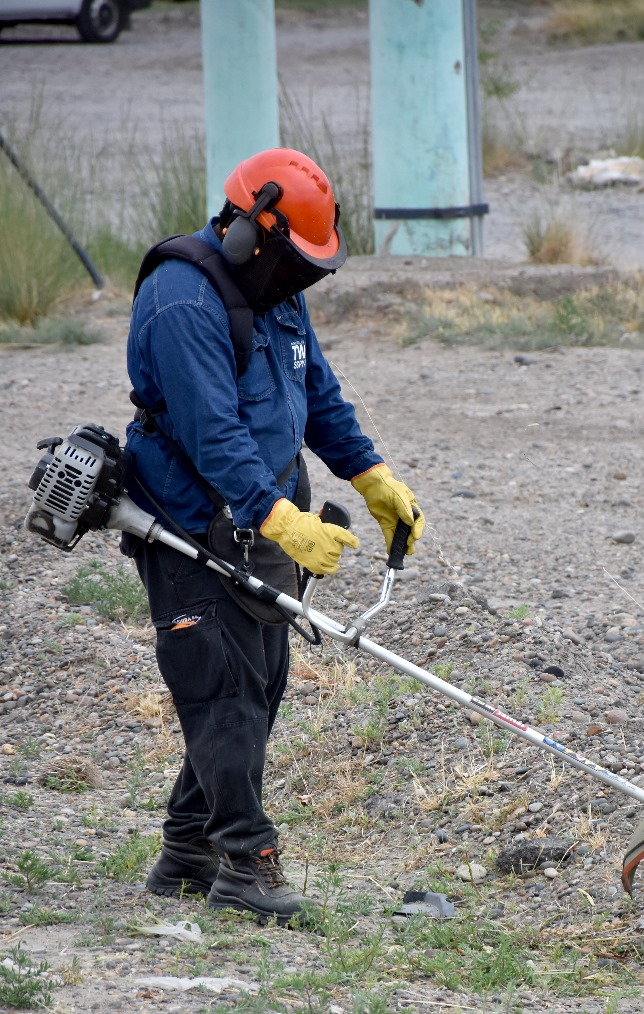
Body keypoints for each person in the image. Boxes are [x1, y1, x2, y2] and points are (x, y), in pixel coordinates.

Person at [122, 147, 425, 925]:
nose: (301, 280)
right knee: (220, 690)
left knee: (256, 686)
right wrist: (280, 518)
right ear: (246, 230)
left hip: (258, 515)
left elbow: (315, 392)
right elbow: (211, 433)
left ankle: (186, 852)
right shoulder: (181, 300)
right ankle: (244, 865)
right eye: (294, 261)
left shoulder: (273, 293)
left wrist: (370, 475)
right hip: (187, 520)